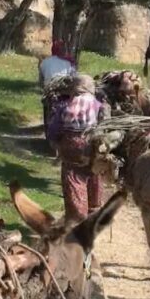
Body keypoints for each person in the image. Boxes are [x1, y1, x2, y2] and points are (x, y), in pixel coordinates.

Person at [47, 73, 109, 221]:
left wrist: (56, 143)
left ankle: (78, 217)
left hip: (70, 149)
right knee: (94, 174)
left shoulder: (64, 106)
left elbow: (53, 130)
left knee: (73, 178)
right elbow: (106, 126)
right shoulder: (100, 106)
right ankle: (94, 209)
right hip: (93, 147)